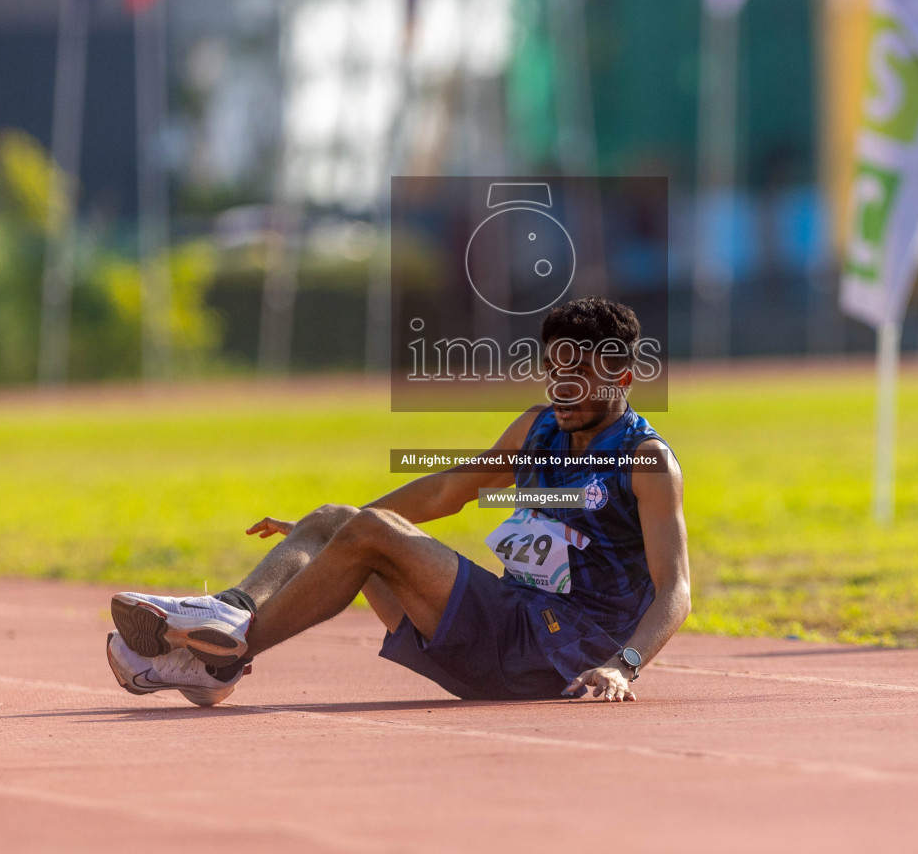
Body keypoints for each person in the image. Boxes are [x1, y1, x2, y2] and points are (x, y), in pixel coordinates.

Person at [105, 296, 689, 706]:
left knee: (366, 530)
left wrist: (623, 665)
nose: (564, 388)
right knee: (342, 518)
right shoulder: (538, 428)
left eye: (583, 374)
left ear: (626, 377)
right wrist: (331, 532)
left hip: (562, 655)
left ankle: (218, 659)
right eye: (554, 371)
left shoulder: (647, 461)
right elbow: (444, 491)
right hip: (507, 627)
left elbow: (676, 591)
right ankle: (226, 626)